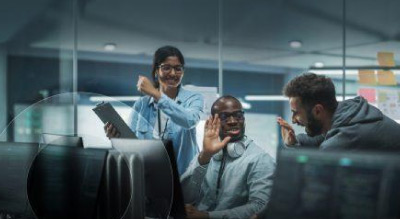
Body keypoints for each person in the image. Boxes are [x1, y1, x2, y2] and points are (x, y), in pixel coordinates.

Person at [105, 45, 204, 175]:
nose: (173, 73)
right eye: (166, 68)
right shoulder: (141, 104)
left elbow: (190, 120)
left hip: (183, 178)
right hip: (148, 174)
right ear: (156, 71)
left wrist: (156, 94)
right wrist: (116, 139)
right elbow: (132, 145)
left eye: (178, 68)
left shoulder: (194, 98)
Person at [181, 95, 275, 218]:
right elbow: (184, 197)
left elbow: (260, 206)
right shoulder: (206, 155)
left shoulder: (261, 159)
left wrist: (207, 216)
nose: (233, 121)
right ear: (213, 121)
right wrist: (205, 156)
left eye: (238, 115)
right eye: (224, 117)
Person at [277, 72, 400, 150]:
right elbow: (321, 138)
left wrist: (292, 148)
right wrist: (293, 142)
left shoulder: (344, 138)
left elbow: (311, 179)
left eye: (296, 112)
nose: (293, 120)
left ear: (318, 111)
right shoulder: (351, 112)